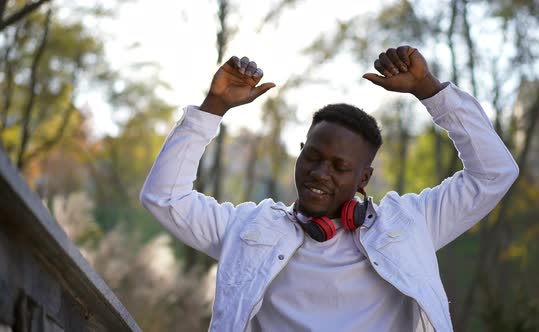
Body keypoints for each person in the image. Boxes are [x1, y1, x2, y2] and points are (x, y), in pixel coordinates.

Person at [140, 45, 519, 331]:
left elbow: (494, 172)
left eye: (340, 167)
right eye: (313, 157)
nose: (320, 173)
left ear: (363, 179)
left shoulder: (412, 223)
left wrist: (430, 90)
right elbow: (165, 197)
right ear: (300, 153)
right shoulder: (246, 229)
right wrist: (213, 108)